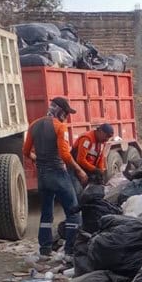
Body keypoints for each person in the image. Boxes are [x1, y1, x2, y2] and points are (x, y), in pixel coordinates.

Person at [22, 97, 87, 258]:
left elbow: (25, 151)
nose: (67, 116)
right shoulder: (60, 127)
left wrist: (37, 158)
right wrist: (79, 170)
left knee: (46, 213)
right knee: (73, 212)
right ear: (60, 111)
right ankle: (70, 250)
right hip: (58, 174)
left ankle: (45, 249)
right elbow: (65, 155)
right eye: (66, 113)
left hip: (43, 177)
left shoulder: (34, 125)